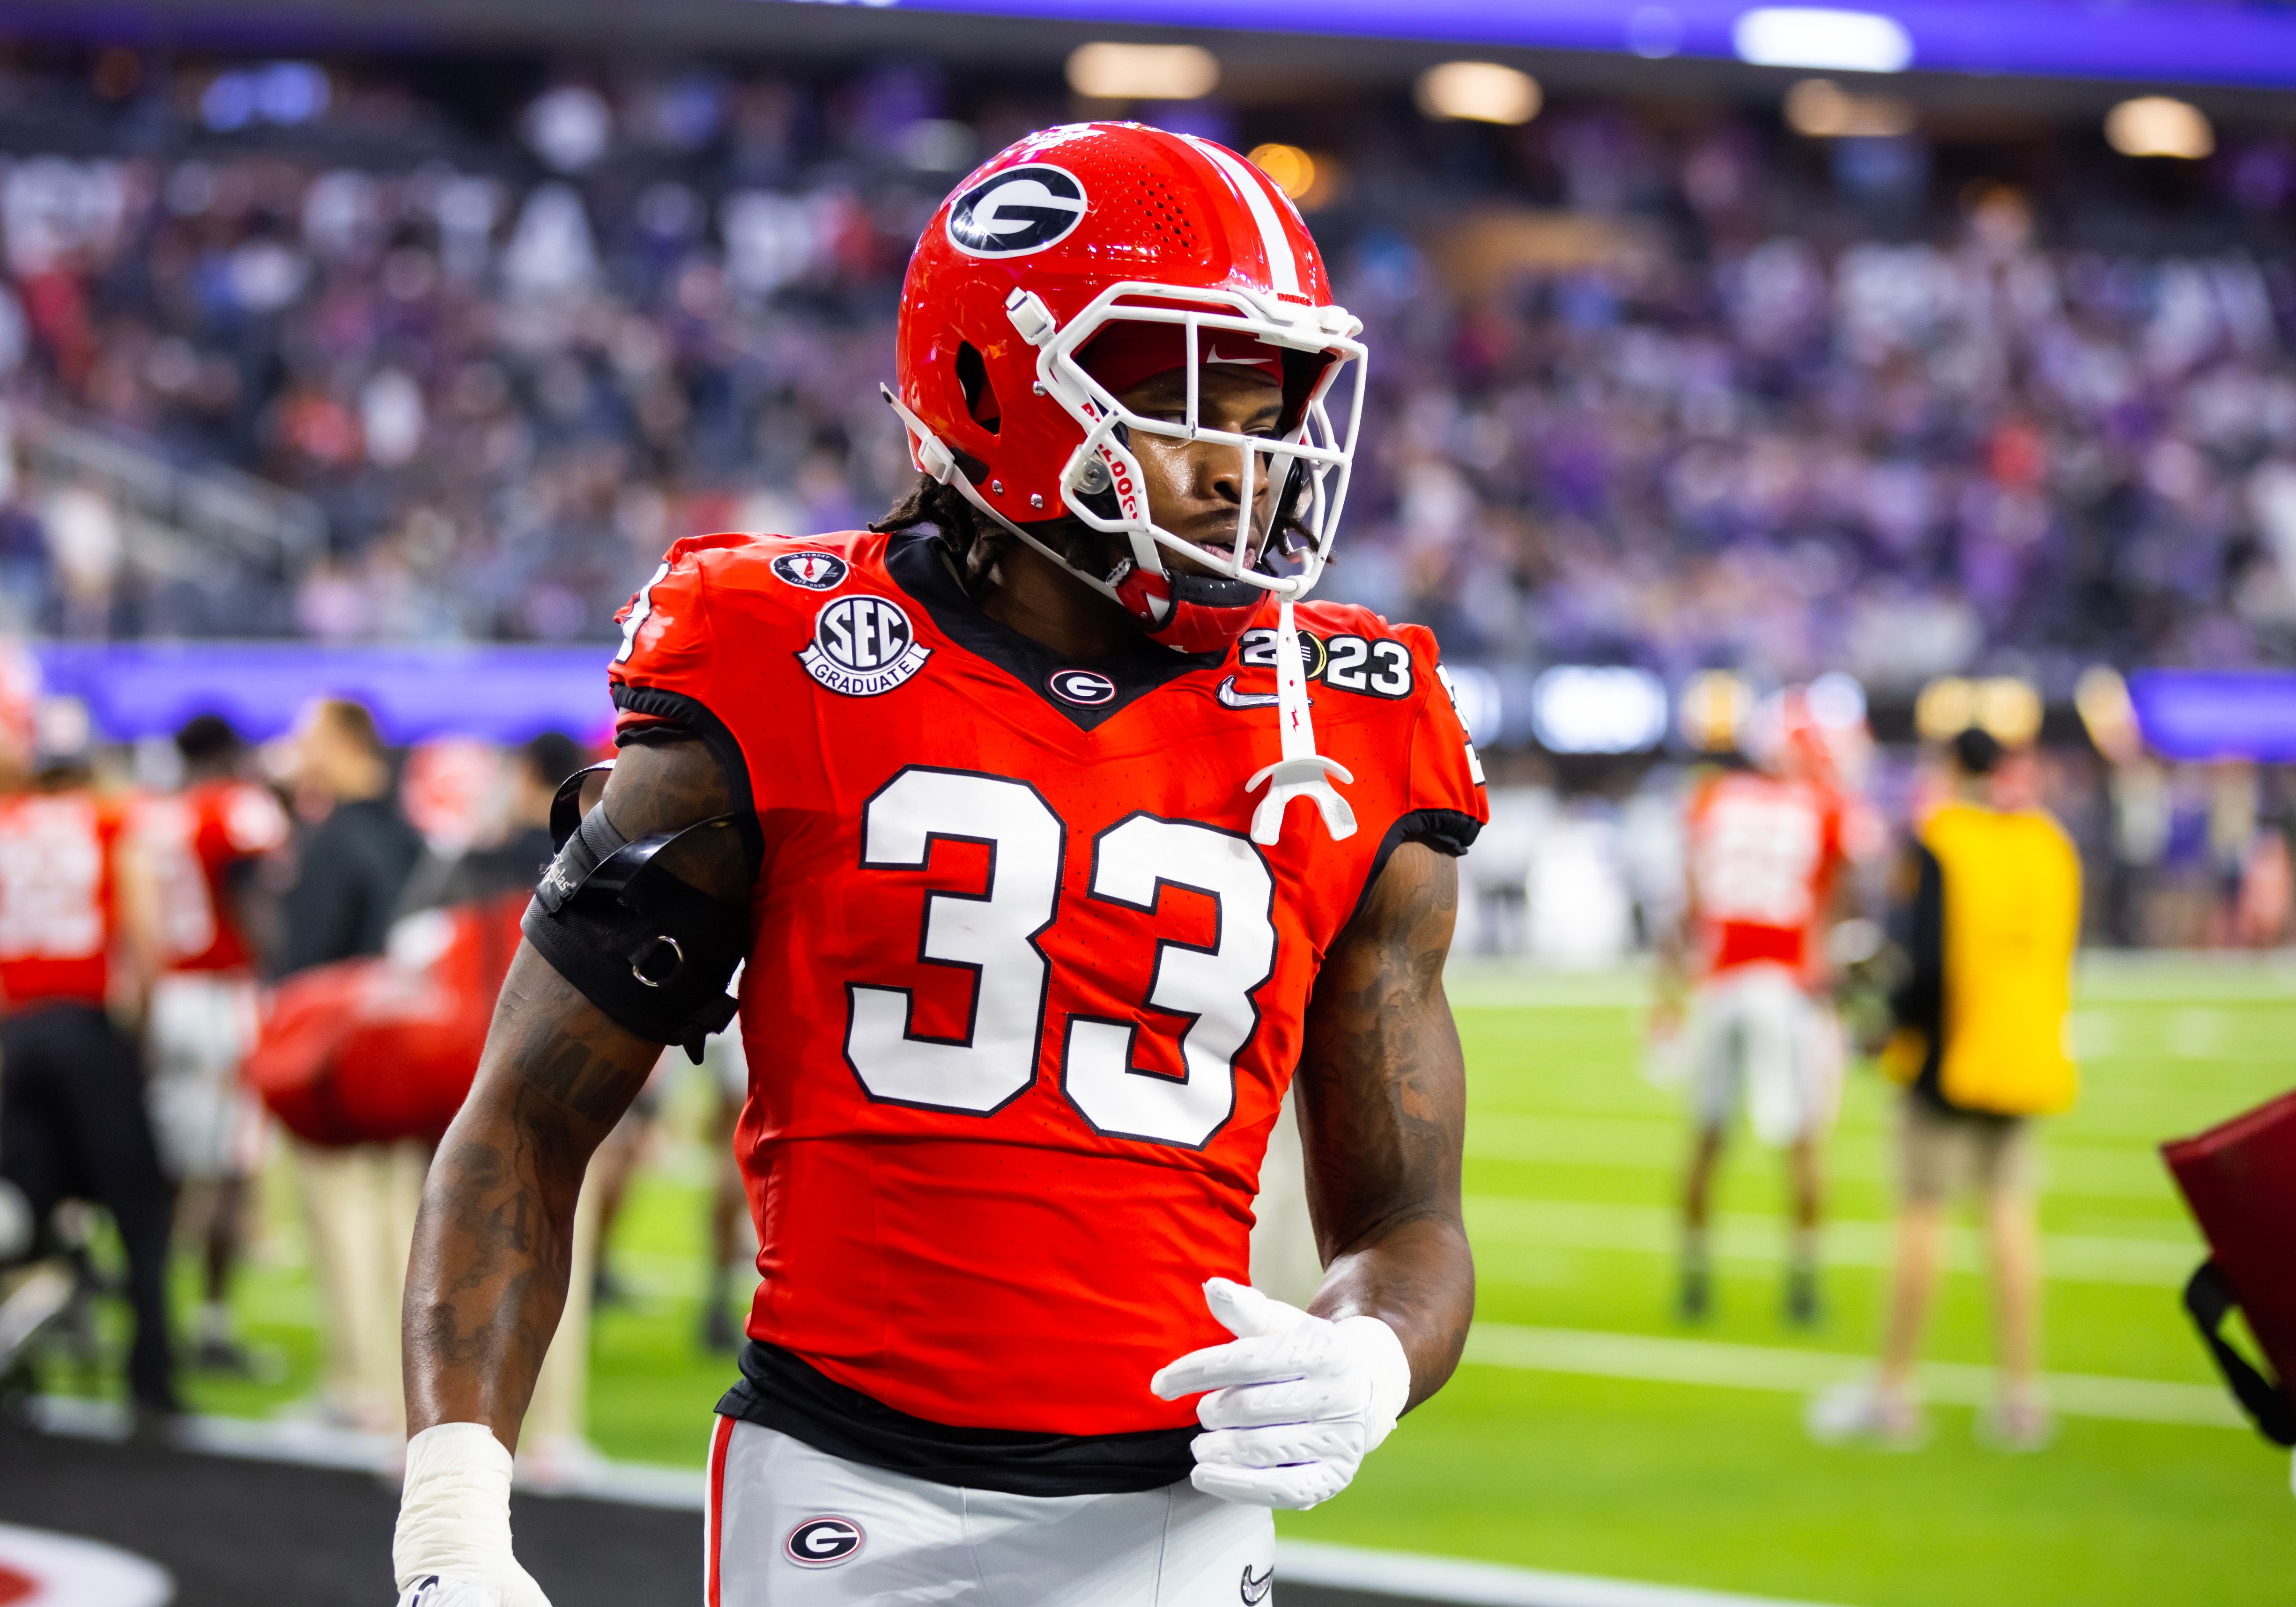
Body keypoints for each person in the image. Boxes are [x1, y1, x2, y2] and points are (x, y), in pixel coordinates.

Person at [393, 122, 1486, 1607]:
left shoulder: (1354, 718)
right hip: (842, 1488)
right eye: (1184, 396)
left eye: (1272, 398)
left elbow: (1408, 1224)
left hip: (1168, 1514)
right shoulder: (776, 659)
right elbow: (523, 1122)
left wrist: (1370, 1350)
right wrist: (453, 1516)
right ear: (990, 380)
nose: (1255, 460)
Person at [1809, 726, 2080, 1451]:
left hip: (1948, 1058)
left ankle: (1893, 1393)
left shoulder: (1939, 842)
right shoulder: (2049, 843)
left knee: (1921, 1221)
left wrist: (1884, 1030)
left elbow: (1919, 967)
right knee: (2011, 1220)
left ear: (1951, 768)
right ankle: (2022, 1399)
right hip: (2025, 1055)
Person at [1655, 690, 1851, 1327]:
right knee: (1801, 1140)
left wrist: (1665, 994)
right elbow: (1829, 910)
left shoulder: (1712, 797)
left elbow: (1684, 907)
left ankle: (1693, 1277)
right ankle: (1803, 1283)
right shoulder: (1822, 807)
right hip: (1783, 984)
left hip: (1718, 984)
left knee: (1708, 1138)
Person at [0, 707, 173, 1422]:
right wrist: (139, 1031)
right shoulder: (109, 823)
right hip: (84, 1026)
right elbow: (147, 937)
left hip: (17, 1036)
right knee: (140, 1210)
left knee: (18, 1213)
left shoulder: (8, 826)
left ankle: (20, 1358)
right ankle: (150, 1376)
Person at [275, 696, 428, 1433]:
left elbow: (301, 966)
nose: (299, 752)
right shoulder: (412, 835)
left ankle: (356, 1389)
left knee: (340, 1215)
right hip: (406, 1051)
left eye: (309, 737)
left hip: (335, 1058)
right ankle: (395, 1389)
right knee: (400, 1224)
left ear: (344, 743)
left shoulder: (334, 839)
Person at [133, 713, 290, 1373]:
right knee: (231, 1165)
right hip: (221, 996)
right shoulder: (237, 808)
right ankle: (213, 1325)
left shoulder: (156, 814)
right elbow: (248, 894)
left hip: (164, 993)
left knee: (166, 1167)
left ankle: (153, 1315)